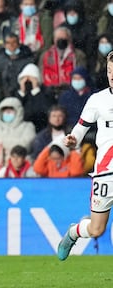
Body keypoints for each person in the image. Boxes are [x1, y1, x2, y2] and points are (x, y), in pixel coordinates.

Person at [57, 50, 113, 261]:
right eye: (109, 71)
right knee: (97, 229)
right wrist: (73, 139)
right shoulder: (97, 100)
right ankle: (73, 232)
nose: (112, 75)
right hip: (105, 173)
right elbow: (79, 130)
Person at [16, 63, 55, 133]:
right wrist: (22, 92)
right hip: (22, 128)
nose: (28, 82)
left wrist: (36, 91)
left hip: (41, 127)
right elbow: (15, 108)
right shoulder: (18, 93)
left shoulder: (46, 92)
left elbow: (46, 110)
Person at [0, 32, 34, 97]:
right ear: (5, 45)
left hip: (23, 93)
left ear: (18, 44)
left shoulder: (27, 59)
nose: (11, 45)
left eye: (14, 42)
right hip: (2, 93)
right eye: (8, 43)